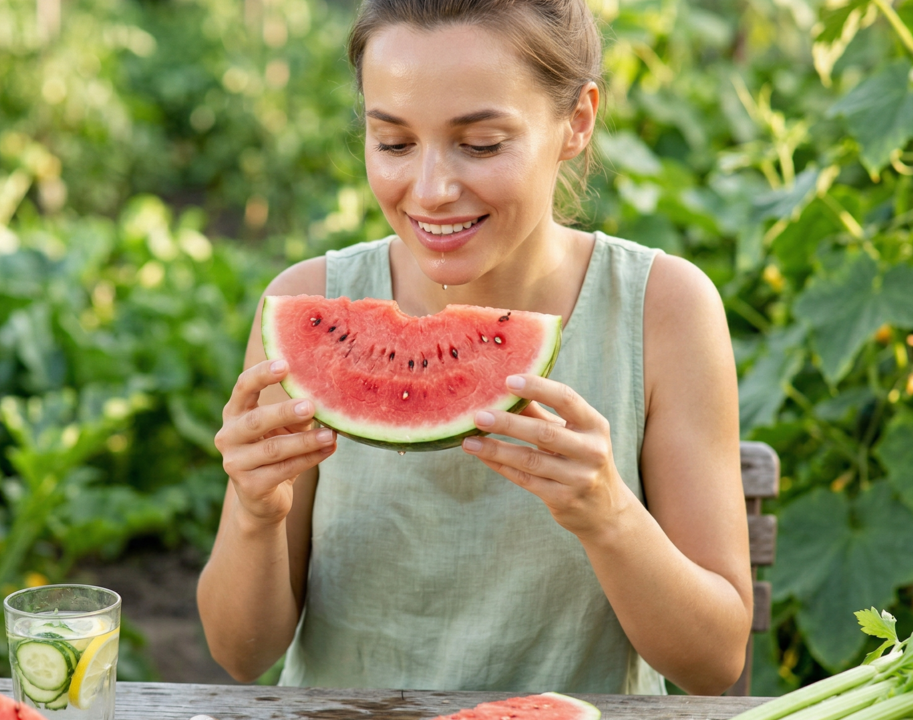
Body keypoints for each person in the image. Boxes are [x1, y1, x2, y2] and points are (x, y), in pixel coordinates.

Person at [197, 0, 751, 696]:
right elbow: (240, 655)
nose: (431, 191)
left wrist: (608, 516)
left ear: (576, 121)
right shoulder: (306, 299)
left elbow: (714, 663)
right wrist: (256, 514)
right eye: (394, 144)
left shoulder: (664, 310)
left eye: (482, 144)